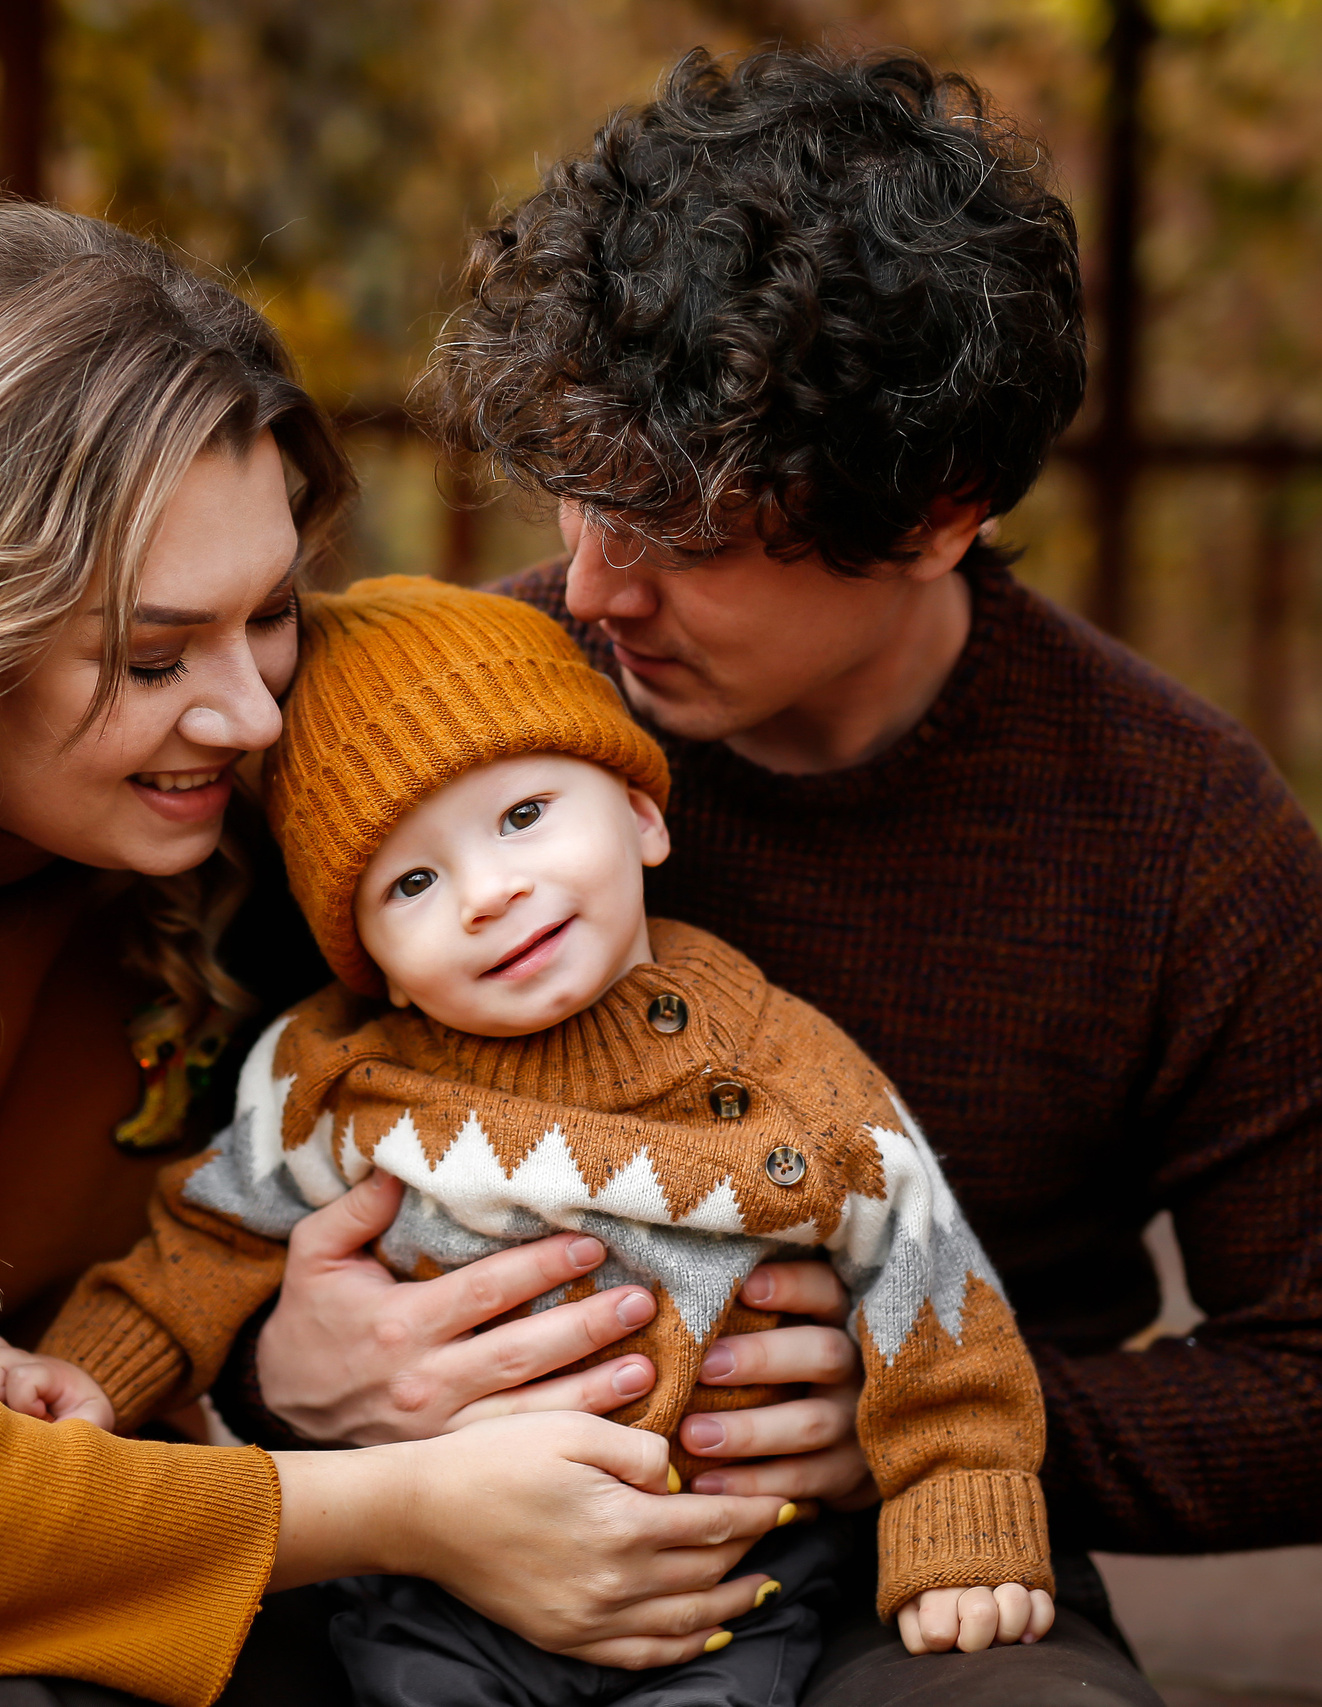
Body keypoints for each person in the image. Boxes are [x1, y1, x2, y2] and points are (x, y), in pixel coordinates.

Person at [0, 203, 812, 1707]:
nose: (251, 715)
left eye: (269, 616)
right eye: (153, 651)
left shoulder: (234, 794)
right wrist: (411, 1507)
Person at [392, 39, 1322, 1707]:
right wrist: (301, 1361)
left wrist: (929, 1405)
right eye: (582, 502)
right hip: (436, 1546)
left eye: (682, 535)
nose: (595, 588)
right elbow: (187, 1148)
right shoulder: (460, 706)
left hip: (915, 1587)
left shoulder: (1183, 833)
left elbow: (1311, 1376)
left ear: (941, 512)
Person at [0, 573, 1059, 1705]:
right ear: (367, 956)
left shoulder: (782, 1068)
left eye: (524, 815)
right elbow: (201, 1250)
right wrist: (83, 1376)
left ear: (640, 813)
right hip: (437, 1588)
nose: (487, 893)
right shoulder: (338, 1079)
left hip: (719, 1577)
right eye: (414, 880)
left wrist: (958, 1502)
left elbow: (922, 1279)